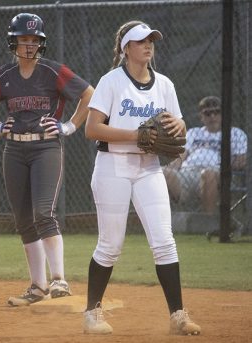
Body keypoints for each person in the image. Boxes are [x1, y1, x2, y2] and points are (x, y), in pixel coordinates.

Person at [83, 21, 201, 335]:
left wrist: (181, 126)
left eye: (151, 40)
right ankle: (92, 314)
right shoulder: (111, 82)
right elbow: (92, 129)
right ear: (126, 49)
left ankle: (178, 316)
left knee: (165, 242)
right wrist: (135, 135)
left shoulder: (165, 84)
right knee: (110, 245)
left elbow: (178, 125)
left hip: (149, 168)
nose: (148, 45)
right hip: (113, 166)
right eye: (140, 41)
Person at [0, 13, 94, 306]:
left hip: (46, 148)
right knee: (24, 220)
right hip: (14, 150)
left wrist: (69, 126)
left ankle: (59, 279)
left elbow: (90, 94)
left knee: (43, 213)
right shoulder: (5, 75)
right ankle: (37, 287)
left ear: (41, 43)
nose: (28, 45)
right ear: (13, 42)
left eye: (34, 40)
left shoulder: (53, 72)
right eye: (23, 39)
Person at [163, 96, 247, 213]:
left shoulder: (235, 133)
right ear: (201, 117)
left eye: (216, 112)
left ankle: (207, 221)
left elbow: (241, 161)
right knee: (160, 172)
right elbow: (180, 158)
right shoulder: (193, 133)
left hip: (218, 173)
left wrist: (224, 168)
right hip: (187, 173)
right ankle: (164, 218)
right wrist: (166, 169)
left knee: (208, 174)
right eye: (207, 113)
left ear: (223, 114)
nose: (212, 116)